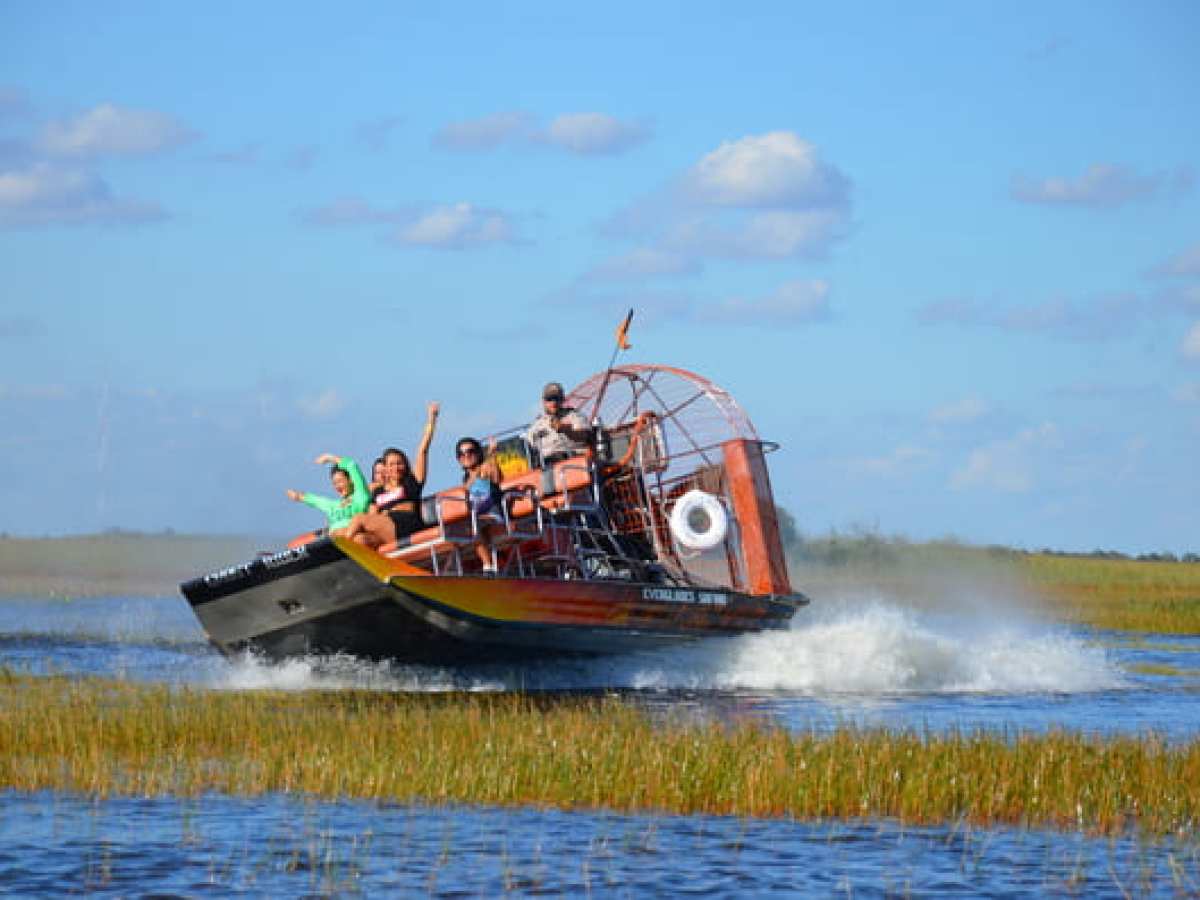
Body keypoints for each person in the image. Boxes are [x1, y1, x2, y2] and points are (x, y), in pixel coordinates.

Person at [343, 402, 440, 548]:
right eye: (391, 464)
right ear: (386, 469)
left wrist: (432, 419)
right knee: (360, 540)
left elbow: (422, 451)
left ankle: (339, 555)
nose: (396, 467)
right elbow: (361, 493)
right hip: (385, 529)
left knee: (359, 519)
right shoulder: (378, 490)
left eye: (399, 463)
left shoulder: (412, 482)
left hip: (405, 525)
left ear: (405, 465)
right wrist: (349, 499)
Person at [456, 436, 506, 574]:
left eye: (470, 451)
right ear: (459, 459)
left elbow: (496, 478)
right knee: (466, 525)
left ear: (478, 453)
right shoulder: (466, 479)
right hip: (476, 518)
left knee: (473, 523)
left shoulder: (486, 467)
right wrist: (473, 477)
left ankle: (488, 567)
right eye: (462, 454)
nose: (467, 456)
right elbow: (464, 492)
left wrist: (492, 454)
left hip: (493, 514)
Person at [285, 453, 370, 535]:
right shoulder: (333, 506)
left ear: (350, 480)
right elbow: (316, 501)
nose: (337, 486)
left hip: (353, 537)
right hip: (333, 541)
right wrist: (298, 496)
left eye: (340, 481)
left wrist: (330, 458)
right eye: (334, 483)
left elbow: (352, 466)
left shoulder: (360, 496)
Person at [525, 381, 590, 464]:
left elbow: (584, 437)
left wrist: (565, 429)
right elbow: (527, 449)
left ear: (562, 399)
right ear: (543, 402)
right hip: (547, 466)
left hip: (573, 460)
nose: (553, 402)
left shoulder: (574, 416)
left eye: (556, 398)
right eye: (549, 399)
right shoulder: (536, 425)